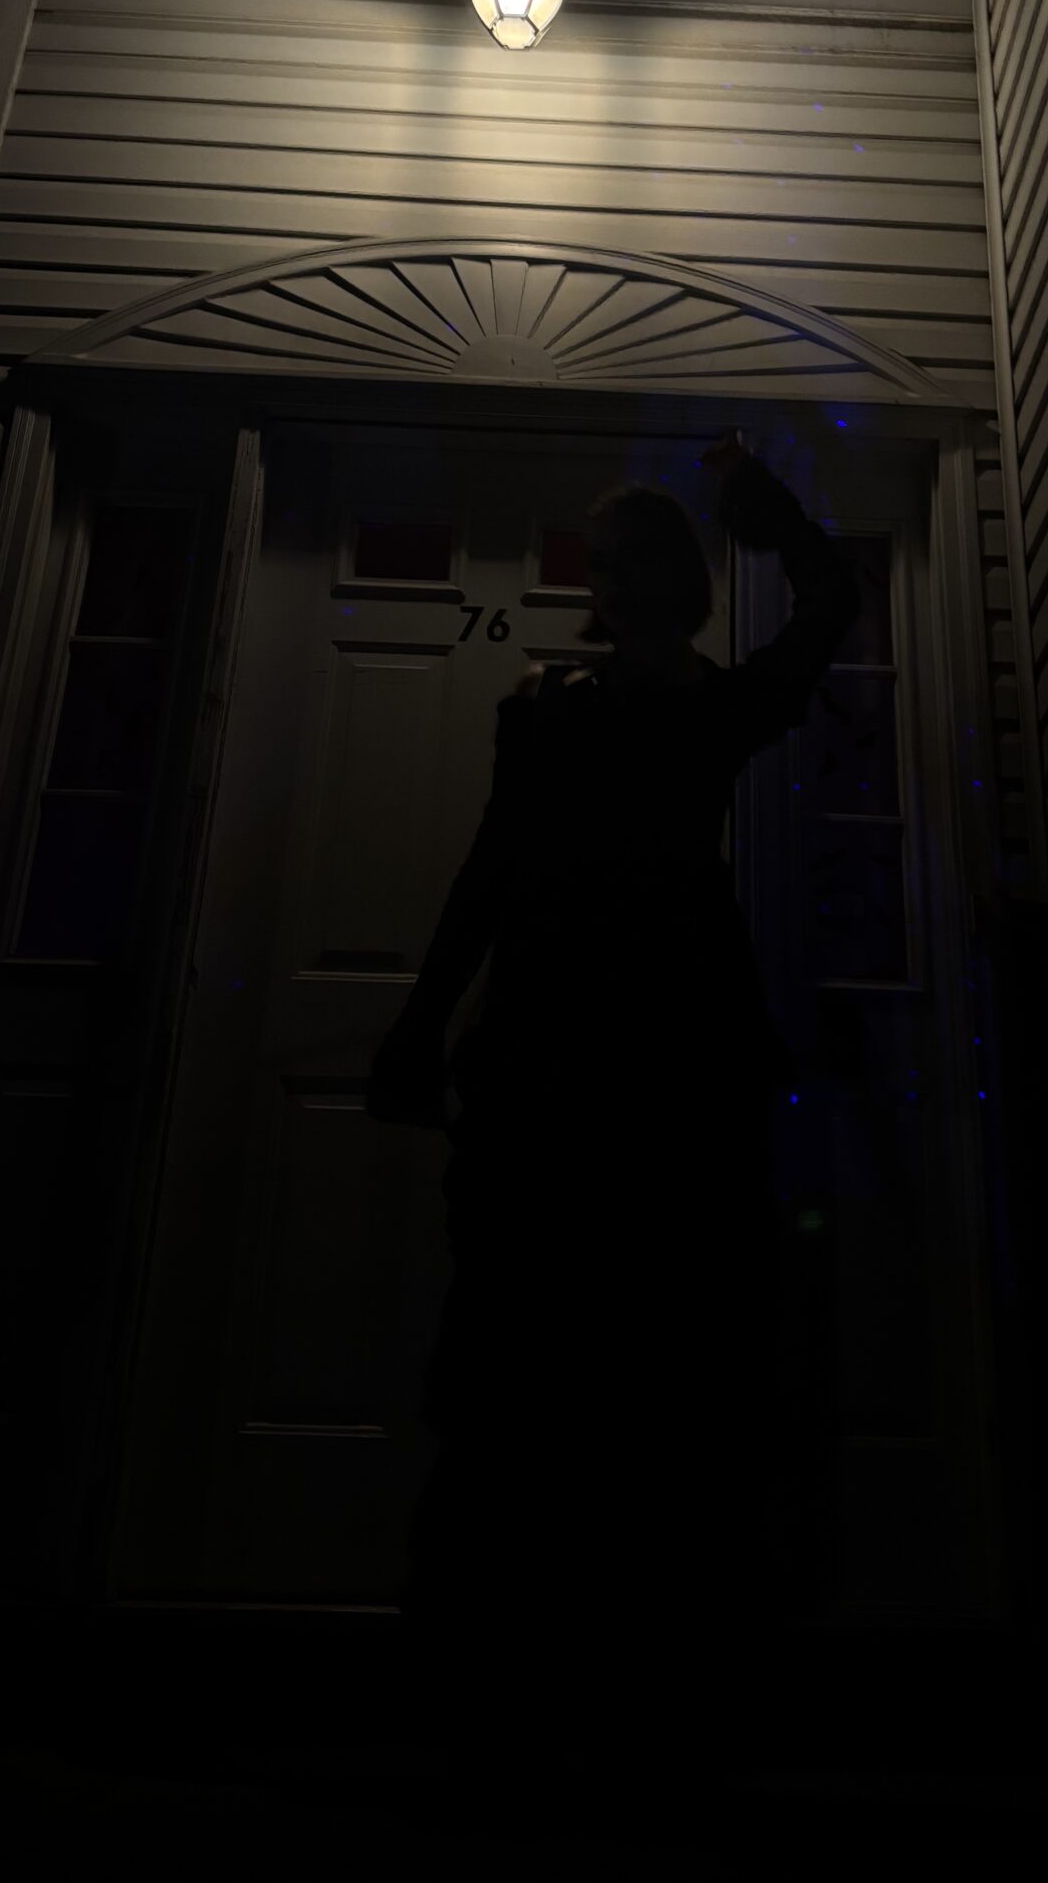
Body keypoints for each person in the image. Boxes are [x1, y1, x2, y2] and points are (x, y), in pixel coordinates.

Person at [363, 428, 860, 1767]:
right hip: (546, 1070)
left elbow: (833, 603)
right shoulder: (549, 707)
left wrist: (768, 510)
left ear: (679, 581)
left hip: (673, 1074)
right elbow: (492, 867)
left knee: (666, 1375)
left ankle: (643, 1701)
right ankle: (478, 1696)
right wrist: (418, 1025)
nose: (613, 580)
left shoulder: (710, 707)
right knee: (509, 1375)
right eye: (604, 562)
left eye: (635, 559)